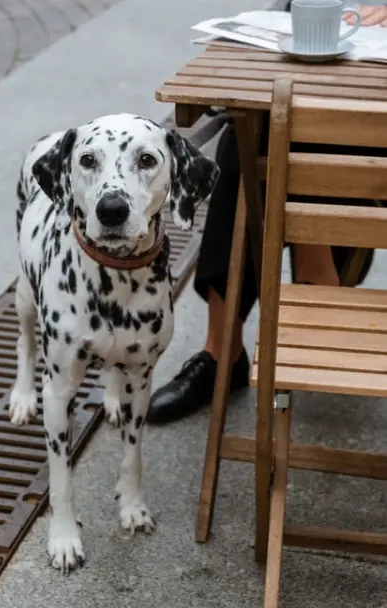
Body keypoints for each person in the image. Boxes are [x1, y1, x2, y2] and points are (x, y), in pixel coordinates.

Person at [147, 2, 386, 425]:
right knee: (249, 136)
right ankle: (226, 350)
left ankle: (316, 278)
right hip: (319, 63)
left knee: (303, 127)